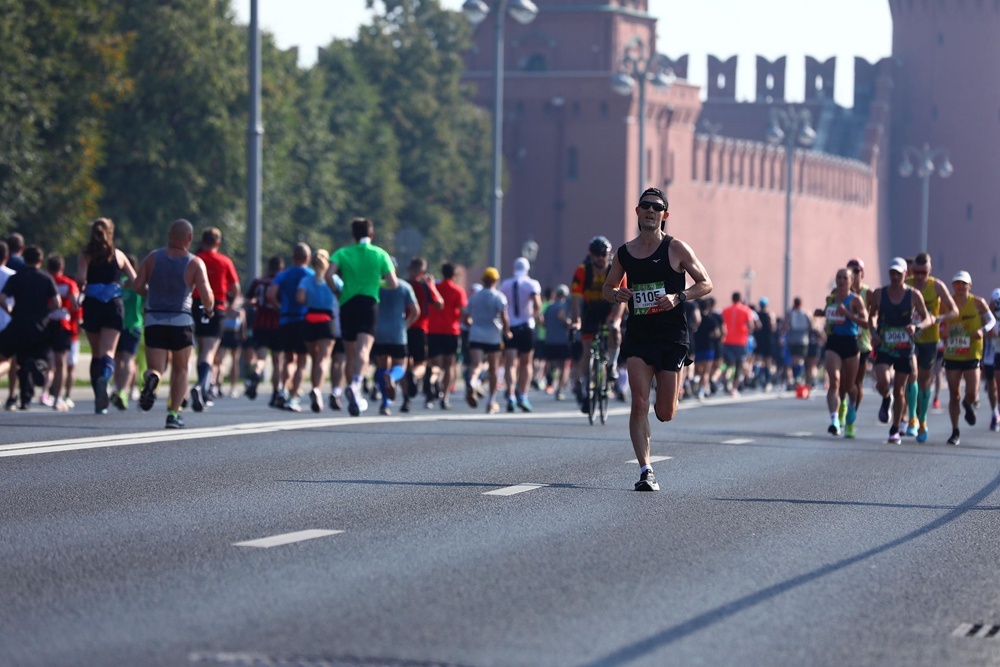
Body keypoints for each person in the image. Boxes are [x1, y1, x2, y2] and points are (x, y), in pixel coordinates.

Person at [602, 187, 713, 492]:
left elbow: (706, 283)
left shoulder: (676, 249)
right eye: (645, 206)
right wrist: (616, 294)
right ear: (637, 212)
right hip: (639, 334)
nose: (650, 211)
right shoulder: (625, 252)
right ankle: (645, 470)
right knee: (639, 402)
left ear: (665, 215)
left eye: (656, 207)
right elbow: (607, 287)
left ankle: (672, 395)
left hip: (671, 336)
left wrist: (679, 296)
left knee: (665, 411)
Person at [133, 219, 214, 429]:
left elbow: (137, 285)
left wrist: (150, 294)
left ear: (169, 236)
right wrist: (209, 308)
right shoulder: (194, 262)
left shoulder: (153, 257)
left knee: (154, 367)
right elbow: (206, 295)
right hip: (181, 321)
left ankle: (152, 379)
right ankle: (173, 413)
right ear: (190, 238)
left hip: (154, 320)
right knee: (181, 369)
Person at [329, 217, 398, 416]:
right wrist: (377, 283)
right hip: (368, 303)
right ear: (372, 234)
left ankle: (354, 395)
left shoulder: (342, 253)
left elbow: (328, 275)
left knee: (350, 353)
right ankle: (357, 384)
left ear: (353, 235)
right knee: (364, 349)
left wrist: (337, 290)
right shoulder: (380, 253)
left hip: (347, 303)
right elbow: (392, 283)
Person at [868, 257, 932, 444]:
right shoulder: (879, 294)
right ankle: (885, 398)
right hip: (885, 345)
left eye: (898, 273)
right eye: (892, 273)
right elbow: (872, 317)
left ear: (906, 274)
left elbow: (927, 318)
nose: (895, 277)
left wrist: (916, 327)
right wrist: (873, 332)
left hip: (904, 347)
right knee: (882, 380)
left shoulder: (913, 295)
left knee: (900, 390)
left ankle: (895, 429)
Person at [76, 218, 137, 414]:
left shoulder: (86, 255)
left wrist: (84, 287)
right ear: (111, 233)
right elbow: (135, 280)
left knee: (96, 353)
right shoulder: (118, 255)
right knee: (108, 351)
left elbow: (80, 279)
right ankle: (106, 377)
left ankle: (98, 399)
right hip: (113, 305)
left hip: (92, 305)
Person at [903, 252, 958, 439]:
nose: (919, 276)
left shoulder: (936, 286)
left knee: (926, 379)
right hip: (911, 337)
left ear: (929, 270)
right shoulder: (907, 284)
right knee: (912, 373)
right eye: (916, 272)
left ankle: (923, 420)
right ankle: (911, 418)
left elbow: (954, 311)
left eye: (923, 272)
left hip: (930, 338)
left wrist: (938, 318)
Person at [0, 246, 59, 409]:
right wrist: (45, 313)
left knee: (16, 358)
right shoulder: (46, 279)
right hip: (39, 326)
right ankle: (38, 368)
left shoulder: (16, 278)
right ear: (40, 261)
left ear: (24, 259)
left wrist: (10, 311)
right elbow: (57, 303)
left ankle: (24, 399)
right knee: (38, 357)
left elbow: (2, 298)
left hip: (18, 323)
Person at [571, 235, 625, 413]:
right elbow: (576, 299)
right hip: (590, 311)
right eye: (596, 254)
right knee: (587, 351)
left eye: (603, 254)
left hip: (610, 308)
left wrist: (616, 320)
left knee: (615, 332)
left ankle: (612, 366)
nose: (600, 258)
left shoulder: (617, 269)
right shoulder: (582, 271)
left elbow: (622, 298)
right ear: (591, 255)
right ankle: (587, 390)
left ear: (608, 254)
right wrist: (577, 320)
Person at [942, 271, 995, 445]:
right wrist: (941, 331)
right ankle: (955, 431)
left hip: (972, 353)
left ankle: (968, 404)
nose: (960, 286)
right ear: (953, 286)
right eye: (957, 283)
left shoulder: (977, 303)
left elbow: (991, 320)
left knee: (972, 392)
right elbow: (937, 321)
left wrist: (982, 330)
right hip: (952, 353)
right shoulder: (946, 303)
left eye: (964, 284)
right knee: (954, 394)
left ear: (969, 286)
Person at [191, 227, 241, 411]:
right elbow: (236, 290)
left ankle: (202, 385)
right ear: (218, 243)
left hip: (196, 306)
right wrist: (230, 308)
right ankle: (202, 387)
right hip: (217, 306)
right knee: (210, 351)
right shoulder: (225, 261)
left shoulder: (195, 259)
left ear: (202, 242)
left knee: (202, 349)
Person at [816, 267, 869, 437]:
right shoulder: (831, 298)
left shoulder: (856, 300)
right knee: (835, 382)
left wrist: (848, 314)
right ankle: (834, 421)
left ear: (851, 281)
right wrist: (822, 313)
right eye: (838, 277)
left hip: (850, 344)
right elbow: (830, 314)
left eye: (844, 278)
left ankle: (851, 408)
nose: (841, 281)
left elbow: (866, 322)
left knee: (849, 386)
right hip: (833, 342)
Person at [268, 243, 313, 412]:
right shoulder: (311, 274)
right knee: (301, 361)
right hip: (304, 320)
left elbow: (271, 295)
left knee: (288, 359)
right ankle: (293, 397)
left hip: (285, 320)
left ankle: (283, 390)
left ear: (293, 257)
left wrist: (279, 308)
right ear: (307, 258)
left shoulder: (283, 274)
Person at [372, 261, 419, 415]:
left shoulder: (376, 286)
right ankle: (392, 377)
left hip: (380, 331)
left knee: (382, 366)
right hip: (398, 331)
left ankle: (385, 404)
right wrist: (406, 324)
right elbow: (415, 311)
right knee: (401, 365)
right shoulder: (404, 286)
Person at [296, 249, 340, 412]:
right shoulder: (334, 279)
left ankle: (315, 386)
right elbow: (343, 293)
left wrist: (310, 300)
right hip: (327, 320)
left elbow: (300, 298)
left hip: (309, 319)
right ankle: (318, 390)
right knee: (323, 359)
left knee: (314, 358)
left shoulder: (307, 280)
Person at [465, 267, 511, 414]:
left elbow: (465, 317)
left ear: (482, 280)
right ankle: (491, 401)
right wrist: (507, 331)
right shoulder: (499, 297)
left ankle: (473, 382)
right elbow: (504, 317)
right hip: (493, 336)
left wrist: (472, 324)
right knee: (493, 369)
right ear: (496, 280)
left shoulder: (475, 297)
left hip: (476, 334)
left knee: (476, 364)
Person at [499, 257, 543, 412]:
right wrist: (535, 315)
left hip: (511, 326)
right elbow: (537, 303)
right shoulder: (531, 283)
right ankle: (523, 394)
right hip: (526, 325)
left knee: (510, 363)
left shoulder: (506, 284)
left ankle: (510, 393)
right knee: (526, 363)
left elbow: (501, 304)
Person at [402, 257, 443, 413]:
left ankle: (406, 399)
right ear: (423, 272)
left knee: (404, 363)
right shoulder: (425, 286)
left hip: (403, 328)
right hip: (420, 328)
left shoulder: (402, 285)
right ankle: (414, 375)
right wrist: (432, 285)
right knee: (421, 364)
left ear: (409, 269)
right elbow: (439, 304)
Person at [425, 261, 466, 410]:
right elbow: (463, 312)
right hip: (451, 331)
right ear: (454, 274)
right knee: (449, 365)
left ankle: (432, 382)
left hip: (433, 330)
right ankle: (445, 396)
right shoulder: (458, 290)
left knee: (435, 365)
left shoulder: (434, 288)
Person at [44, 253, 81, 412]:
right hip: (62, 325)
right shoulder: (69, 283)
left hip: (45, 323)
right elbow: (75, 304)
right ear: (62, 268)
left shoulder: (44, 281)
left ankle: (44, 393)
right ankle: (58, 398)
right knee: (61, 364)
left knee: (46, 362)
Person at [244, 255, 283, 403]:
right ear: (281, 268)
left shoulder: (258, 282)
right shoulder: (280, 282)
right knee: (277, 361)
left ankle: (256, 372)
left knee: (261, 358)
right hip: (276, 324)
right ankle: (276, 393)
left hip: (260, 323)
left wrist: (255, 303)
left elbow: (247, 300)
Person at [111, 254, 144, 411]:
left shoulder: (136, 283)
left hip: (131, 325)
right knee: (124, 359)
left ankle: (123, 390)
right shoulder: (124, 283)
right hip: (122, 325)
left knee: (125, 359)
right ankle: (120, 389)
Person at [721, 291, 758, 395]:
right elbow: (751, 325)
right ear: (740, 299)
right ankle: (734, 389)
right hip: (740, 341)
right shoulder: (746, 310)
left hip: (727, 340)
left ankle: (726, 378)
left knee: (728, 364)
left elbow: (722, 324)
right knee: (739, 365)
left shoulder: (725, 310)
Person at [542, 285, 573, 400]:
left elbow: (543, 323)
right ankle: (559, 389)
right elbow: (565, 320)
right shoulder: (565, 307)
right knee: (564, 366)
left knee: (549, 363)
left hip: (550, 339)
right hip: (563, 340)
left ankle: (549, 382)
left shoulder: (549, 307)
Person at [783, 297, 813, 389]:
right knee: (800, 360)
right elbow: (811, 326)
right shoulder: (806, 314)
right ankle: (798, 378)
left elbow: (785, 326)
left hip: (793, 339)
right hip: (803, 340)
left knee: (794, 360)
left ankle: (797, 378)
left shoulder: (791, 314)